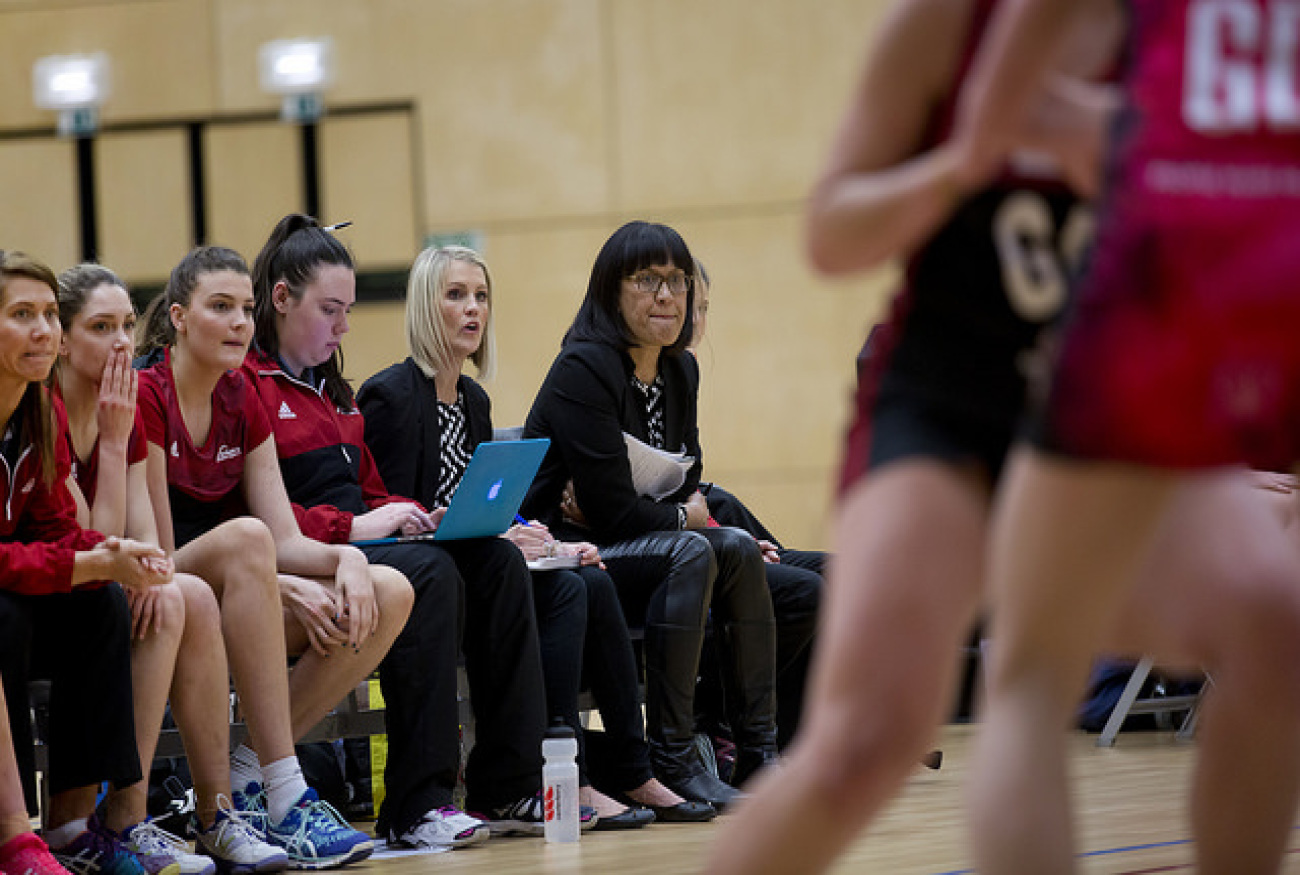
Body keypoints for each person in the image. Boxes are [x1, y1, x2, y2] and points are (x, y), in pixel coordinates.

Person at [707, 1, 1300, 873]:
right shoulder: (947, 21)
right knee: (871, 739)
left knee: (1272, 630)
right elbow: (831, 233)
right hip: (954, 398)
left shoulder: (1194, 41)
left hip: (1119, 403)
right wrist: (960, 168)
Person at [946, 0, 1300, 871]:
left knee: (1271, 629)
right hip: (1098, 351)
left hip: (1195, 357)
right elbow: (993, 116)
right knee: (993, 684)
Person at [239, 215, 596, 841]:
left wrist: (413, 516)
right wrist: (359, 522)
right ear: (280, 299)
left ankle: (508, 784)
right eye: (331, 309)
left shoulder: (336, 393)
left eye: (347, 310)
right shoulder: (253, 391)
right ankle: (414, 803)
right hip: (309, 556)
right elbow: (262, 517)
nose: (345, 326)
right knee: (432, 573)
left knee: (497, 561)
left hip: (363, 545)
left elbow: (374, 491)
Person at [358, 243, 710, 825]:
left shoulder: (472, 400)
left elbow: (477, 503)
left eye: (481, 296)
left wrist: (544, 539)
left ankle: (617, 767)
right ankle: (522, 776)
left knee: (586, 581)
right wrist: (484, 534)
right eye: (456, 296)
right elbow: (394, 514)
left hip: (475, 566)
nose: (473, 309)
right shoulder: (391, 395)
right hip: (433, 576)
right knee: (545, 586)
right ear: (425, 305)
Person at [135, 245, 412, 868]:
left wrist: (349, 563)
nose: (240, 322)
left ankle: (250, 775)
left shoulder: (242, 394)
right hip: (168, 594)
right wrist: (275, 581)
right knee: (246, 538)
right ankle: (287, 793)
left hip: (240, 592)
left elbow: (285, 538)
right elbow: (157, 558)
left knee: (389, 589)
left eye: (247, 309)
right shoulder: (148, 394)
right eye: (220, 307)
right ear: (179, 317)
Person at [518, 221, 780, 811]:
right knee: (696, 545)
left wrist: (661, 509)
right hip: (570, 555)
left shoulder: (679, 369)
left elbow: (687, 474)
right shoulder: (584, 367)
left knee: (735, 543)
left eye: (676, 281)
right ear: (613, 291)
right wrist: (675, 515)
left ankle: (759, 752)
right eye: (647, 280)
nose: (666, 295)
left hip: (631, 545)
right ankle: (674, 757)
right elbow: (616, 510)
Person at [54, 263, 285, 875]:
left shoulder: (123, 405)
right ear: (63, 340)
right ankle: (117, 819)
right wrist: (107, 439)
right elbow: (95, 542)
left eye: (128, 325)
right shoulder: (52, 408)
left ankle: (217, 815)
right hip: (56, 592)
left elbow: (145, 543)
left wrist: (150, 570)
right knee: (178, 595)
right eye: (102, 327)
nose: (123, 342)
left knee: (186, 596)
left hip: (103, 583)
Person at [0, 250, 171, 875]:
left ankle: (74, 824)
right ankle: (12, 834)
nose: (42, 329)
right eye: (23, 314)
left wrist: (107, 555)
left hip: (20, 594)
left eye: (48, 313)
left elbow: (57, 528)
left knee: (101, 600)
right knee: (7, 618)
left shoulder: (35, 412)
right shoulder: (53, 406)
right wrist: (86, 561)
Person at [687, 258, 824, 750]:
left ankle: (808, 727)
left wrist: (733, 535)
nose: (697, 320)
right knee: (804, 590)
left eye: (704, 308)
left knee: (833, 573)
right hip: (666, 543)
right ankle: (729, 725)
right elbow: (658, 496)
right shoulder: (632, 375)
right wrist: (732, 539)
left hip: (700, 524)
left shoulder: (686, 370)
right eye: (690, 305)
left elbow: (690, 485)